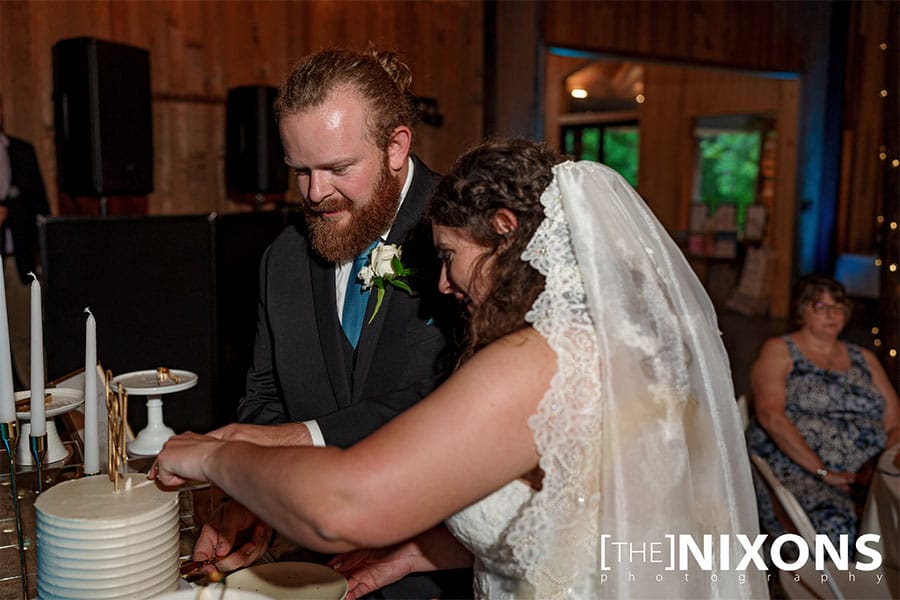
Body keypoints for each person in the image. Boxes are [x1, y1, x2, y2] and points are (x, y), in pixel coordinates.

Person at [152, 138, 766, 599]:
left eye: (449, 257)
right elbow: (577, 518)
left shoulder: (538, 361)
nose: (442, 283)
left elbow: (342, 506)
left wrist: (213, 456)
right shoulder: (615, 344)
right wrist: (417, 552)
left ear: (504, 234)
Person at [197, 48, 467, 598]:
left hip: (442, 576)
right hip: (318, 574)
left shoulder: (466, 238)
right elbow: (264, 398)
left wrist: (303, 438)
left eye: (339, 169)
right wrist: (258, 500)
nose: (316, 194)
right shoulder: (283, 259)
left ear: (396, 146)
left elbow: (460, 404)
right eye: (301, 171)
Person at [746, 274, 900, 548]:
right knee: (839, 531)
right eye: (821, 306)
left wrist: (873, 473)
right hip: (797, 466)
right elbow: (771, 416)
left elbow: (894, 423)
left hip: (864, 476)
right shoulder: (780, 350)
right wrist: (823, 472)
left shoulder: (864, 357)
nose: (832, 315)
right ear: (802, 310)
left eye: (838, 307)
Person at [0, 93, 50, 389]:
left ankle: (41, 408)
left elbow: (41, 209)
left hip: (17, 263)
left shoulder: (21, 152)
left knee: (26, 338)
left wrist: (44, 260)